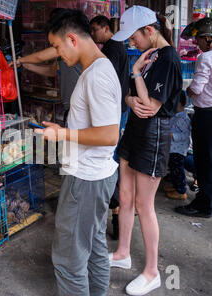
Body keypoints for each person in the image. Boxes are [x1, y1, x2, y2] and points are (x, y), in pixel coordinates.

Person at [34, 9, 121, 296]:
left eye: (58, 47)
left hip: (86, 180)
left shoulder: (96, 75)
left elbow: (110, 135)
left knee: (69, 260)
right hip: (97, 176)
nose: (58, 54)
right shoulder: (98, 68)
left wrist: (63, 134)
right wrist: (64, 129)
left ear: (72, 39)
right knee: (94, 243)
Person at [108, 6, 182, 296]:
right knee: (124, 197)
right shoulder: (150, 54)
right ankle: (123, 252)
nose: (131, 43)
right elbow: (132, 96)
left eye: (134, 37)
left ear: (149, 31)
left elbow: (151, 107)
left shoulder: (168, 59)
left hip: (154, 136)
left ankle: (152, 272)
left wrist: (137, 72)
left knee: (144, 206)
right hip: (134, 133)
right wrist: (128, 98)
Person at [90, 15, 130, 240]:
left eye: (95, 30)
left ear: (106, 28)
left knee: (110, 161)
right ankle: (114, 210)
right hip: (116, 112)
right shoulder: (115, 47)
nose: (94, 34)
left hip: (114, 113)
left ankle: (115, 210)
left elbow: (106, 84)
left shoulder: (112, 49)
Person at [11, 9, 82, 126]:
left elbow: (41, 56)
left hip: (78, 110)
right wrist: (27, 65)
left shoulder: (68, 45)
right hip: (70, 107)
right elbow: (53, 70)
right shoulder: (64, 53)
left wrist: (20, 60)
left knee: (74, 141)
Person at [175, 18, 212, 219]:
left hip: (206, 115)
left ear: (208, 39)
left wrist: (186, 91)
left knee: (203, 160)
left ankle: (204, 205)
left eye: (199, 39)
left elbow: (196, 88)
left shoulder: (206, 58)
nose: (196, 43)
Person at [163, 90, 191, 200]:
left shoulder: (183, 119)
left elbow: (185, 136)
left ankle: (181, 191)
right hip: (172, 149)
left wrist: (172, 135)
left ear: (179, 103)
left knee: (178, 171)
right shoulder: (175, 116)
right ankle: (176, 187)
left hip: (178, 150)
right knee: (174, 170)